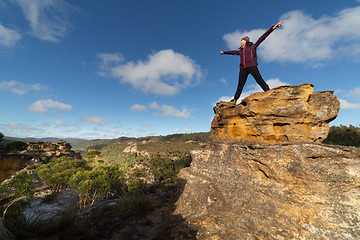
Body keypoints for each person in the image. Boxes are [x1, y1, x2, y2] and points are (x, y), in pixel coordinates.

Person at [220, 20, 283, 104]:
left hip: (252, 66)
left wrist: (273, 28)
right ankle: (234, 100)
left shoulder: (252, 47)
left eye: (241, 40)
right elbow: (232, 52)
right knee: (240, 85)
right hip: (243, 69)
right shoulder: (240, 51)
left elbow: (262, 37)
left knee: (259, 80)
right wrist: (224, 52)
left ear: (245, 41)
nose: (240, 42)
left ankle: (269, 93)